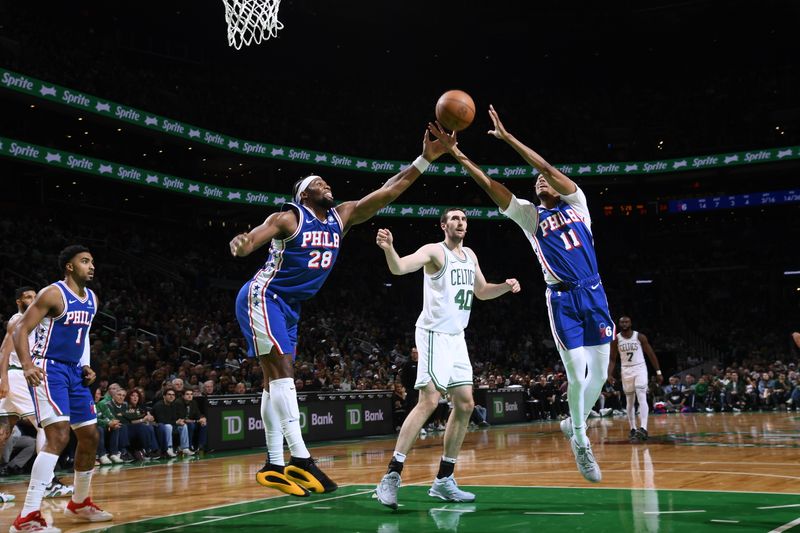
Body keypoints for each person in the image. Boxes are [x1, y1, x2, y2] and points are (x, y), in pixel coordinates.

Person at [229, 129, 446, 497]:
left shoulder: (340, 217)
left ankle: (273, 462)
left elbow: (388, 191)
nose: (327, 185)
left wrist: (425, 159)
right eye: (319, 183)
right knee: (282, 374)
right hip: (263, 296)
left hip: (291, 306)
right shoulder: (289, 217)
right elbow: (256, 235)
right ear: (304, 194)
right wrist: (242, 243)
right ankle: (300, 458)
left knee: (272, 382)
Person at [429, 111, 614, 483]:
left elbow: (544, 164)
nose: (542, 179)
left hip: (595, 293)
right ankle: (580, 438)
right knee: (577, 376)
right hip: (562, 299)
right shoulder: (531, 217)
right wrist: (457, 154)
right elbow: (490, 184)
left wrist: (509, 138)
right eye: (537, 181)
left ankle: (571, 422)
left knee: (600, 375)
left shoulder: (578, 204)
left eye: (547, 178)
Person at [374, 207, 521, 509]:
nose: (460, 222)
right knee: (428, 401)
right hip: (432, 334)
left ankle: (443, 480)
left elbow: (481, 292)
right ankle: (390, 476)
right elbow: (400, 268)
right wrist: (390, 249)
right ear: (443, 225)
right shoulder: (434, 251)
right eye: (454, 218)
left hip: (457, 338)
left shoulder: (471, 256)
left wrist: (505, 287)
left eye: (464, 219)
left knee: (466, 404)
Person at [10, 245, 113, 532]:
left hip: (73, 370)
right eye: (84, 261)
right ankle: (27, 517)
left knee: (90, 435)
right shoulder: (52, 293)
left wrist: (86, 364)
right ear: (69, 266)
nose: (91, 266)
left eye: (92, 261)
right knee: (58, 435)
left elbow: (84, 337)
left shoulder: (91, 298)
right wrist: (28, 364)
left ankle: (80, 502)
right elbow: (20, 330)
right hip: (48, 367)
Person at [1, 287, 75, 504]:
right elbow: (4, 352)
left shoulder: (37, 321)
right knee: (46, 426)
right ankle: (48, 483)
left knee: (3, 432)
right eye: (27, 297)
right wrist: (4, 379)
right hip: (17, 377)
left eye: (35, 297)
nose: (33, 300)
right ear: (18, 301)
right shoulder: (17, 320)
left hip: (15, 378)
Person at [607, 316, 663, 442]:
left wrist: (658, 372)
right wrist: (609, 374)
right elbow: (612, 359)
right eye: (622, 322)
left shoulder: (639, 337)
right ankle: (632, 428)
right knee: (630, 400)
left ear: (631, 323)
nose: (624, 323)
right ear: (619, 324)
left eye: (626, 321)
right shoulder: (616, 339)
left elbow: (651, 354)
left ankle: (643, 428)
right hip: (626, 370)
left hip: (639, 368)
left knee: (641, 394)